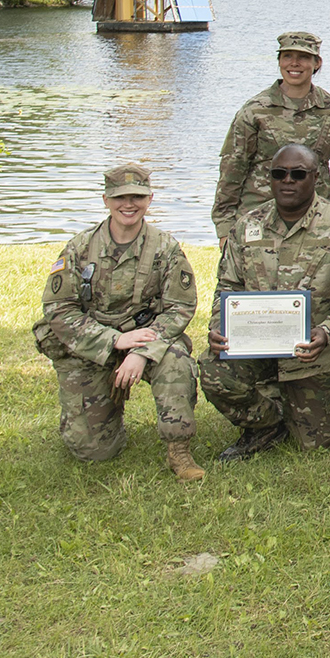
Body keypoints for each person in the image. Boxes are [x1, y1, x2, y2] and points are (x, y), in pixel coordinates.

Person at [32, 161, 204, 482]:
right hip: (94, 345)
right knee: (92, 450)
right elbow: (58, 310)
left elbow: (180, 307)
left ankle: (179, 449)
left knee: (176, 361)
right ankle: (108, 420)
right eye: (120, 197)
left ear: (149, 200)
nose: (129, 204)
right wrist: (113, 342)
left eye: (137, 197)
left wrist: (142, 350)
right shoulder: (79, 248)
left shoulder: (166, 249)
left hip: (146, 339)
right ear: (106, 200)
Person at [200, 144, 330, 460]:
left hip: (314, 352)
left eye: (298, 174)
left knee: (317, 442)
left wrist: (327, 333)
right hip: (256, 346)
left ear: (315, 178)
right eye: (279, 174)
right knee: (212, 371)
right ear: (270, 178)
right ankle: (266, 424)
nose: (287, 181)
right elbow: (228, 286)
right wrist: (218, 326)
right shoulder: (247, 226)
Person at [211, 31, 330, 244]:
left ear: (316, 63)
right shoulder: (255, 110)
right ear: (279, 61)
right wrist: (224, 227)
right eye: (287, 56)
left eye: (303, 57)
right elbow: (232, 168)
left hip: (316, 219)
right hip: (261, 215)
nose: (294, 64)